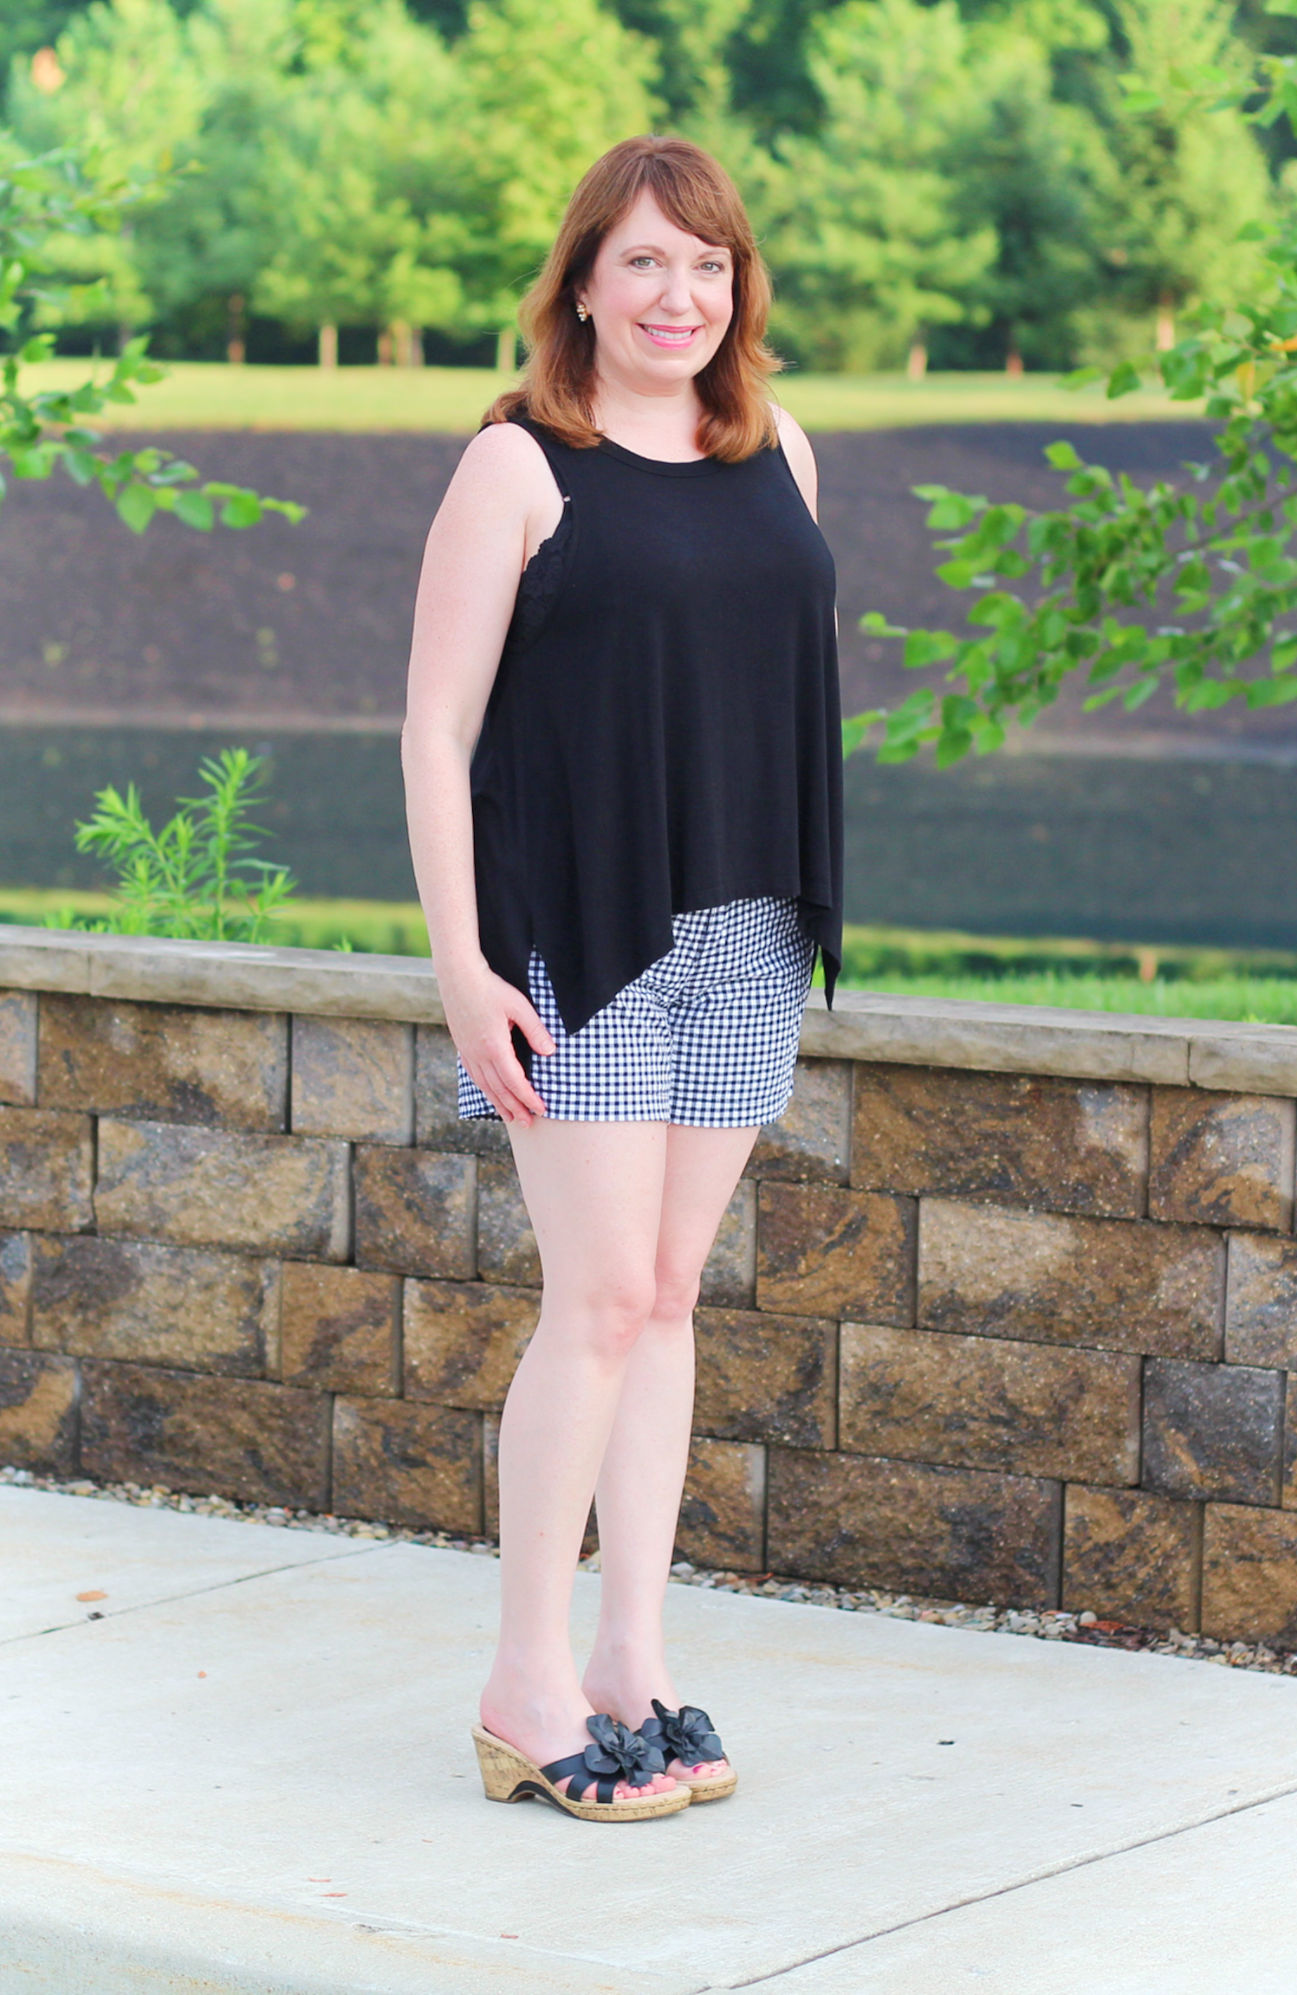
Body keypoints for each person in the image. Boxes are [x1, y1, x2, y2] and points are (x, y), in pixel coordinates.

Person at [400, 132, 843, 1822]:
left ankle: (631, 1659)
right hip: (575, 935)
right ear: (581, 279)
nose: (680, 294)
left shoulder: (778, 452)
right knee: (588, 1303)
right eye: (645, 262)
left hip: (744, 929)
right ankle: (525, 1680)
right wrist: (460, 966)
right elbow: (437, 732)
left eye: (709, 264)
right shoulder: (519, 466)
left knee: (663, 1298)